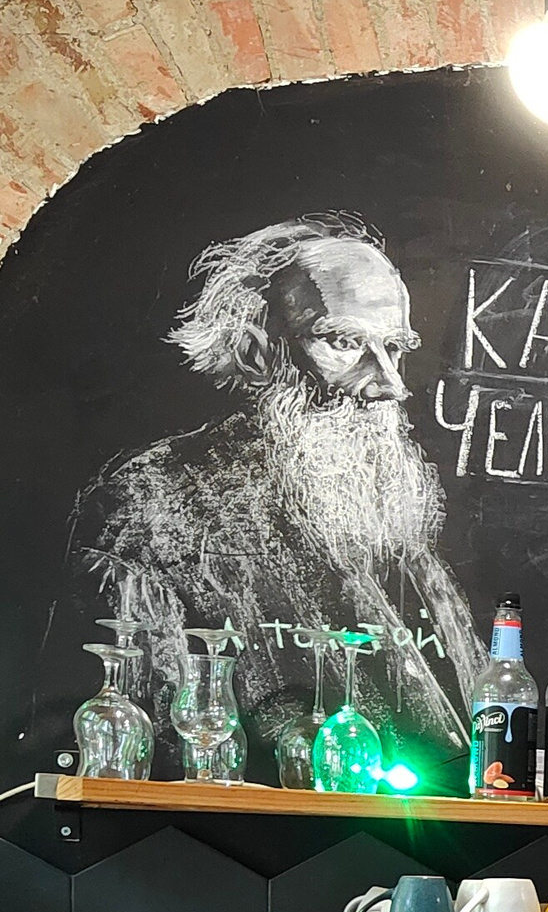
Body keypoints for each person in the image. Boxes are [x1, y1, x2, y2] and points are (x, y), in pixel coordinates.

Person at [73, 216, 484, 779]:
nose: (390, 383)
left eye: (394, 347)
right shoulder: (151, 501)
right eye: (344, 342)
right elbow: (145, 760)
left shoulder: (383, 509)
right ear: (259, 348)